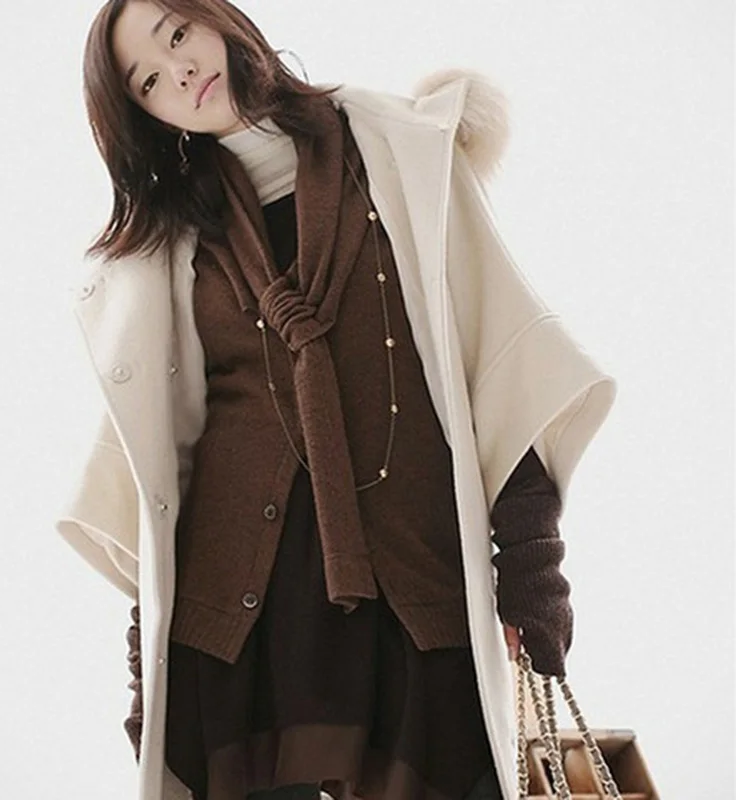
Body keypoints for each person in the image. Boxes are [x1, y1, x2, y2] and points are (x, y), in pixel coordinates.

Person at [56, 1, 617, 799]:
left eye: (177, 35)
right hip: (241, 633)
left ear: (219, 19)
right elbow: (158, 478)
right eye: (147, 82)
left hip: (413, 592)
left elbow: (494, 365)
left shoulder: (402, 149)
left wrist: (532, 566)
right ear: (146, 117)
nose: (178, 73)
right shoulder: (171, 243)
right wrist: (149, 665)